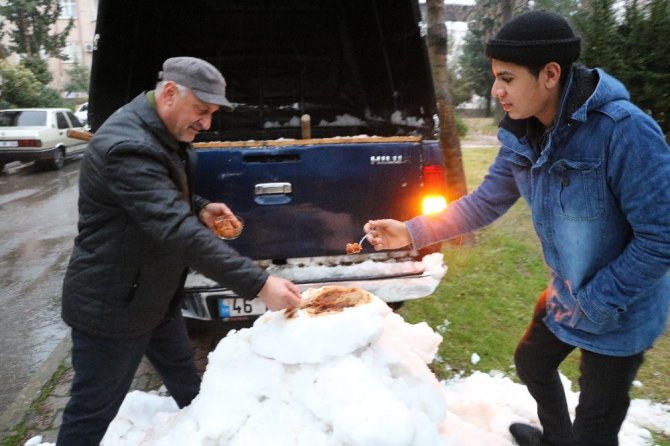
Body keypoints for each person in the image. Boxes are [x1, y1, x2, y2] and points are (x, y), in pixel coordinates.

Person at [365, 10, 670, 446]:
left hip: (619, 312)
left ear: (550, 74)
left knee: (595, 431)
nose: (496, 91)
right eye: (494, 77)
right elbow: (484, 203)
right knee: (532, 362)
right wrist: (411, 232)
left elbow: (661, 238)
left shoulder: (625, 132)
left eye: (506, 78)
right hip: (566, 293)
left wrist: (597, 303)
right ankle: (555, 440)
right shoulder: (523, 136)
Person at [56, 56, 302, 445]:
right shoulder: (127, 146)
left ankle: (209, 435)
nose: (206, 123)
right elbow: (174, 228)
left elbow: (160, 192)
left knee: (190, 387)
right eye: (201, 111)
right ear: (170, 93)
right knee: (90, 414)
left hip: (154, 296)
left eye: (212, 113)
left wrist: (201, 206)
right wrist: (258, 284)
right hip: (113, 307)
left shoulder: (156, 128)